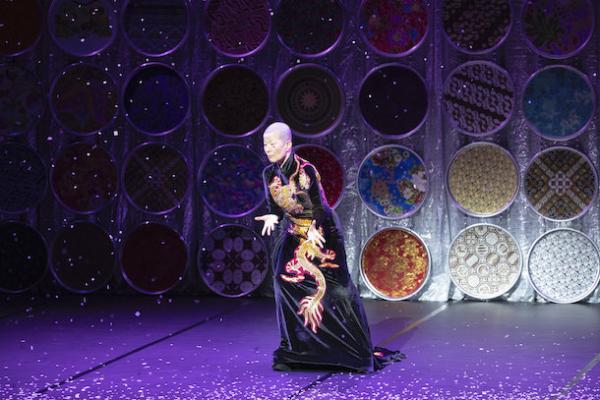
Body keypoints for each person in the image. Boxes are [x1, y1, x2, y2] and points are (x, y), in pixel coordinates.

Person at [255, 122, 405, 373]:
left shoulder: (305, 171)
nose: (268, 148)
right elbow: (275, 206)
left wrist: (314, 227)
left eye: (272, 143)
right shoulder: (269, 174)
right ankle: (296, 350)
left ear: (288, 144)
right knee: (283, 281)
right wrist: (273, 215)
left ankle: (355, 353)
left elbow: (320, 206)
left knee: (339, 290)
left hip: (322, 231)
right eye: (265, 144)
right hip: (294, 231)